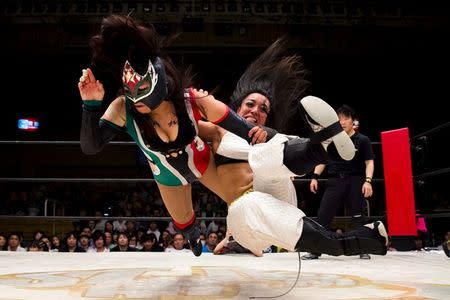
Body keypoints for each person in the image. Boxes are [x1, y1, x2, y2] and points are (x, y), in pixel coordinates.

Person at [78, 15, 270, 256]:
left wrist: (262, 137)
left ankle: (254, 235)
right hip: (166, 176)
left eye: (144, 94)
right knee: (184, 223)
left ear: (160, 86)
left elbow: (235, 123)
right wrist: (91, 105)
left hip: (201, 160)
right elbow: (91, 146)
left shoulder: (189, 99)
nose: (138, 104)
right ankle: (192, 235)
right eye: (132, 95)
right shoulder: (122, 108)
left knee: (242, 200)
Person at [199, 39, 388, 257]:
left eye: (263, 109)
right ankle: (358, 240)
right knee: (243, 205)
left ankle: (323, 148)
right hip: (248, 218)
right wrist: (191, 97)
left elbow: (277, 145)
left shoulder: (270, 136)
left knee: (266, 149)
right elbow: (183, 127)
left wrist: (269, 135)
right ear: (238, 107)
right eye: (250, 104)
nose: (255, 111)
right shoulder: (218, 132)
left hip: (278, 197)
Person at [303, 104, 375, 260]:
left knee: (358, 216)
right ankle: (316, 250)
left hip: (356, 180)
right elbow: (322, 160)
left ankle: (362, 248)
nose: (342, 122)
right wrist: (315, 176)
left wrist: (368, 181)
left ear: (352, 121)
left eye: (346, 118)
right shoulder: (332, 141)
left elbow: (369, 162)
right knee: (323, 215)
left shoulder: (362, 140)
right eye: (339, 118)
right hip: (335, 181)